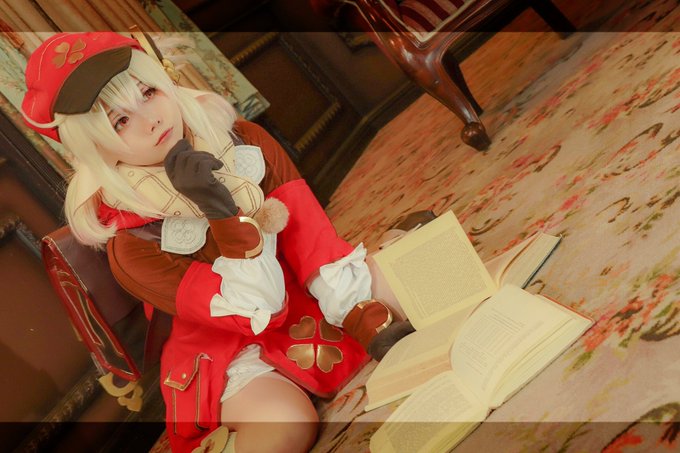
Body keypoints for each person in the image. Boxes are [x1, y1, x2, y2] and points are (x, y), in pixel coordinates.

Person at [22, 31, 411, 452]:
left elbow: (311, 242)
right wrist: (221, 212)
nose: (151, 120)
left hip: (301, 289)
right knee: (287, 425)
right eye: (121, 121)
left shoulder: (246, 141)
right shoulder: (130, 245)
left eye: (148, 93)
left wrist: (356, 311)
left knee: (421, 275)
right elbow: (258, 308)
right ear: (97, 147)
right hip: (228, 344)